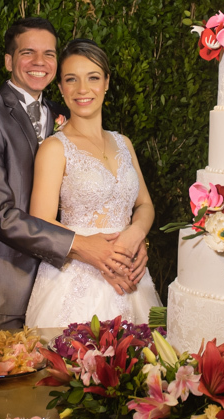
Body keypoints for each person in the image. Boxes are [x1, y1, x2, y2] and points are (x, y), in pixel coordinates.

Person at [0, 18, 147, 330]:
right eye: (28, 53)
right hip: (2, 283)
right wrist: (83, 246)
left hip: (60, 276)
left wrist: (132, 240)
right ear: (8, 61)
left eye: (49, 54)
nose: (39, 62)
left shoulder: (64, 112)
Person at [25, 38, 161, 328]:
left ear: (107, 82)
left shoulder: (124, 143)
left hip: (131, 275)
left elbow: (145, 205)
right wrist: (93, 250)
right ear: (60, 87)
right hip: (76, 279)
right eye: (71, 79)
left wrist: (136, 234)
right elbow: (40, 221)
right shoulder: (54, 148)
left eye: (93, 78)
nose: (82, 89)